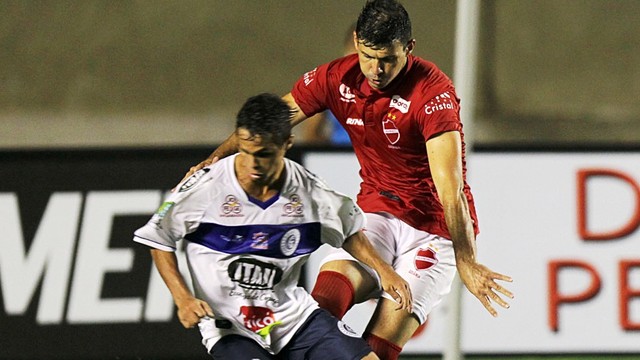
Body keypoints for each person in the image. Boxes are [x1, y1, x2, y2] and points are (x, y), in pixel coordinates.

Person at [188, 1, 514, 359]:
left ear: (409, 48)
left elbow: (450, 193)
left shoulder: (432, 94)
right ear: (356, 42)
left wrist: (467, 261)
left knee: (376, 350)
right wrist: (213, 161)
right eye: (367, 56)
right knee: (322, 304)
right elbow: (267, 126)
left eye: (387, 59)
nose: (376, 69)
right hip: (378, 211)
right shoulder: (336, 78)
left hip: (433, 233)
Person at [134, 93, 412, 360]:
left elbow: (349, 232)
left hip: (293, 318)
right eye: (245, 150)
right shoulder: (206, 185)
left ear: (286, 144)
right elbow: (158, 238)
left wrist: (385, 272)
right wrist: (183, 298)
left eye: (264, 154)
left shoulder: (309, 191)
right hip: (231, 328)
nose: (252, 163)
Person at [303, 23, 356, 146]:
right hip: (338, 157)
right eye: (354, 48)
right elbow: (310, 134)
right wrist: (331, 154)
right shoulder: (327, 83)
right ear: (346, 49)